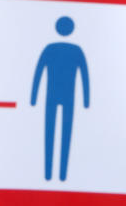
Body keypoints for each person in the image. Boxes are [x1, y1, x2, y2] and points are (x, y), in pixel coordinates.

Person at [31, 16, 90, 181]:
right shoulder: (76, 50)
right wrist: (86, 100)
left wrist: (34, 97)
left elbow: (38, 73)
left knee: (49, 133)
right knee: (66, 133)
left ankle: (49, 174)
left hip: (51, 95)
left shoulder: (50, 49)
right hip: (68, 96)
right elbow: (84, 76)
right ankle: (63, 175)